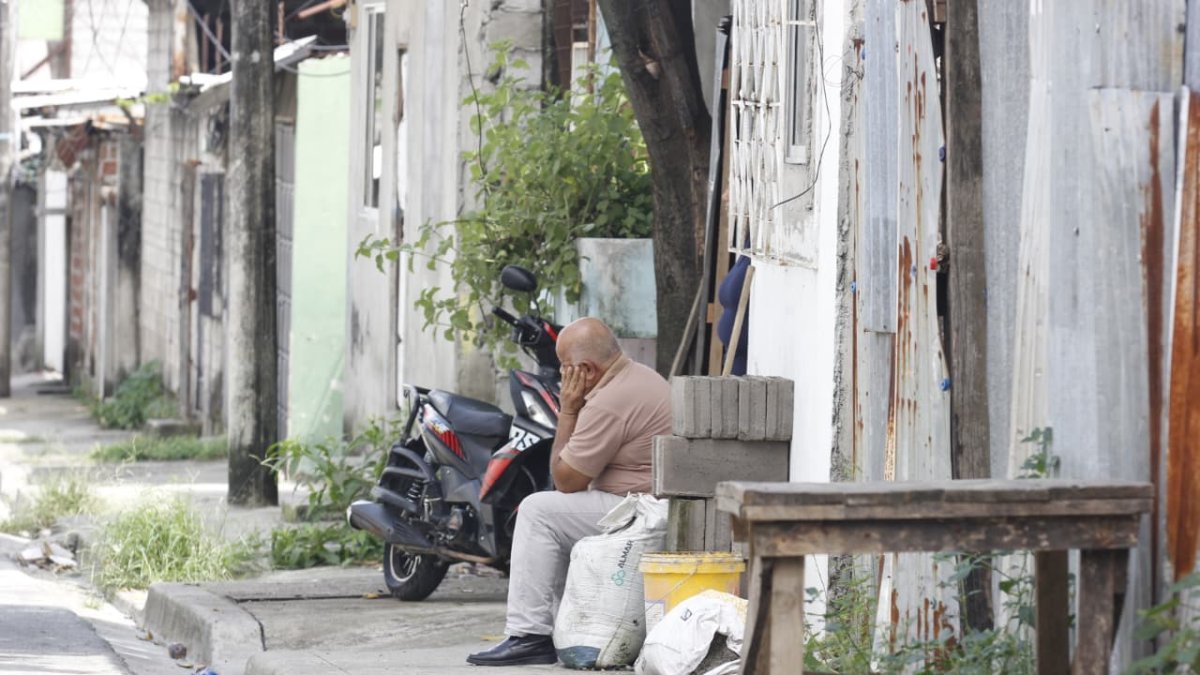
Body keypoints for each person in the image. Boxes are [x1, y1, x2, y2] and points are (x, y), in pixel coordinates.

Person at [466, 317, 672, 667]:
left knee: (538, 511)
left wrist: (569, 411)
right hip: (644, 505)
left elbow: (565, 480)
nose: (562, 376)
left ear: (586, 370)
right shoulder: (636, 375)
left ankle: (529, 635)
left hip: (641, 514)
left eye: (565, 367)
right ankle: (558, 629)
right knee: (558, 514)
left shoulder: (609, 401)